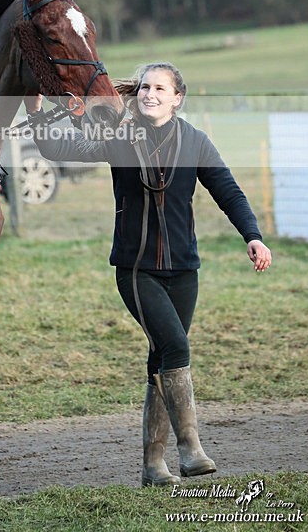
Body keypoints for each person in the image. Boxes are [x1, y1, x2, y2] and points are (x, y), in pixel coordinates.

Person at [28, 62, 272, 487]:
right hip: (136, 270)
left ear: (178, 97)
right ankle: (190, 448)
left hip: (185, 270)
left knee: (161, 357)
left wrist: (253, 235)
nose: (149, 93)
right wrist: (34, 111)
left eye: (160, 87)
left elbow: (228, 191)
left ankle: (152, 467)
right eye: (143, 87)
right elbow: (55, 148)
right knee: (175, 345)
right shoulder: (119, 137)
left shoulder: (195, 141)